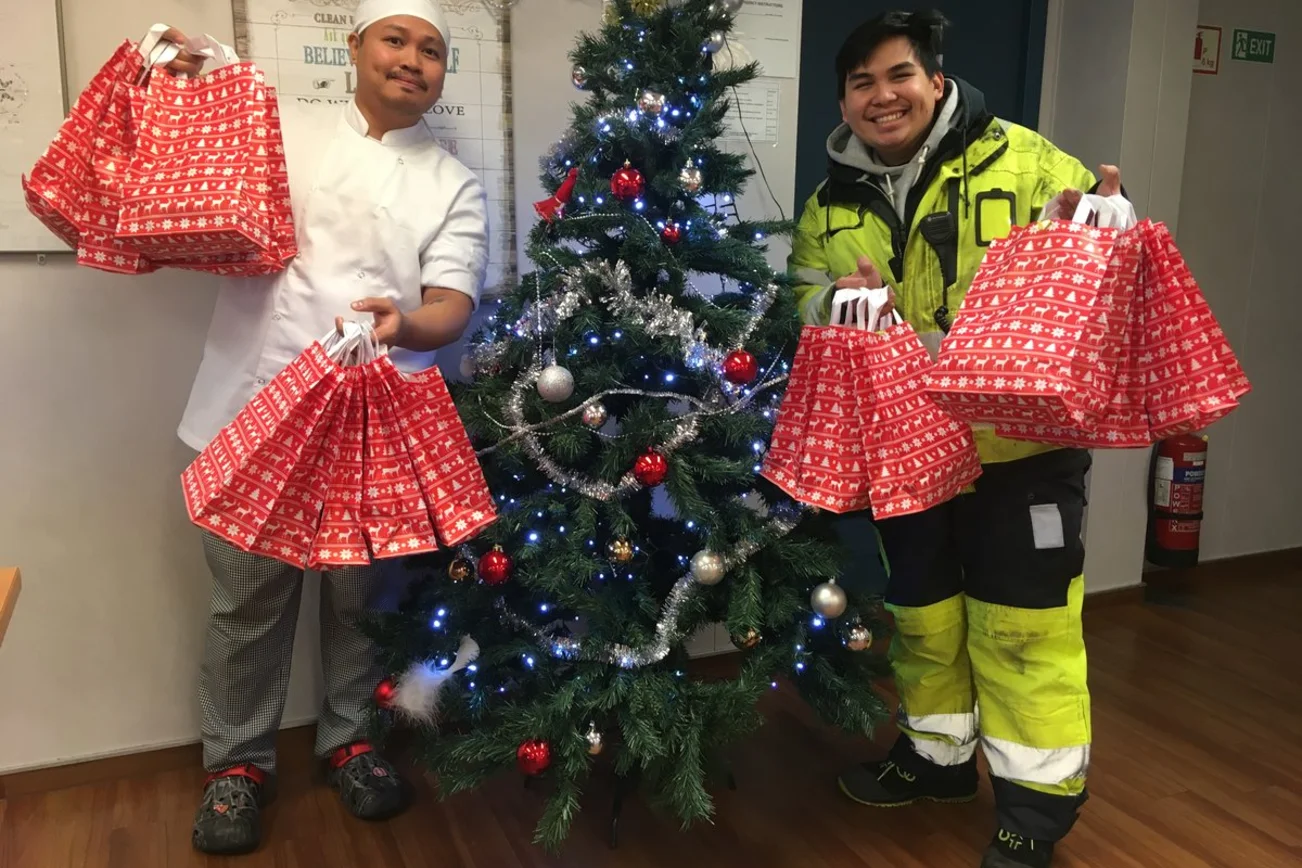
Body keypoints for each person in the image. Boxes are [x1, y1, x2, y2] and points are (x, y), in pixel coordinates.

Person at [789, 11, 1124, 868]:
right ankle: (935, 760)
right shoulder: (830, 205)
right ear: (845, 101)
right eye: (861, 83)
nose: (881, 96)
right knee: (926, 621)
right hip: (909, 455)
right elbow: (804, 299)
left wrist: (1109, 222)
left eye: (897, 75)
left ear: (935, 80)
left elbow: (1098, 243)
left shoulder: (1025, 158)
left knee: (1024, 632)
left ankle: (1036, 815)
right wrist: (839, 305)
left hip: (1023, 448)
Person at [165, 0, 488, 855]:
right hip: (251, 414)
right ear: (354, 47)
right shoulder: (287, 131)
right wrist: (201, 72)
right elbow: (216, 121)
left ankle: (350, 742)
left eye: (432, 50)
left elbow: (452, 305)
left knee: (361, 606)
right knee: (247, 605)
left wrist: (403, 325)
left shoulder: (451, 182)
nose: (413, 60)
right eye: (396, 40)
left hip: (374, 430)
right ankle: (236, 766)